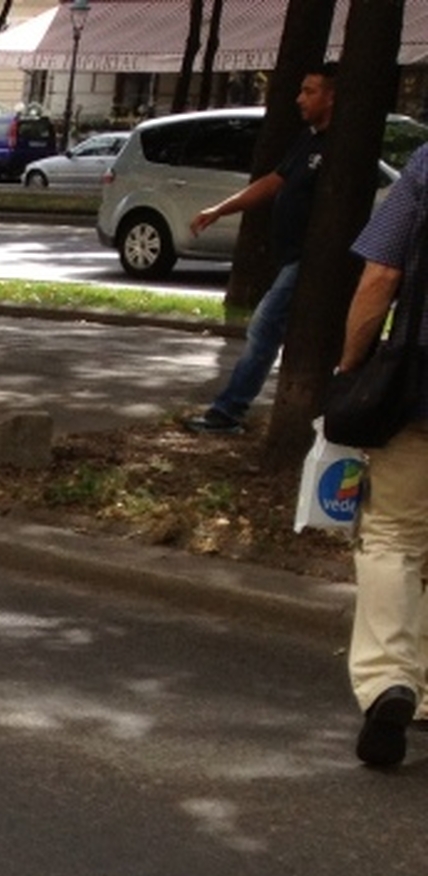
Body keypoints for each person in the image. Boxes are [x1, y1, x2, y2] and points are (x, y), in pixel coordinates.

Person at [337, 143, 428, 769]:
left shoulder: (426, 165)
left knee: (394, 533)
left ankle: (389, 681)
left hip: (421, 383)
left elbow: (381, 276)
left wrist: (351, 367)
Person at [182, 65, 335, 435]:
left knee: (265, 327)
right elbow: (272, 182)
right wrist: (220, 209)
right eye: (302, 90)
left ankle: (228, 413)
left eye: (310, 91)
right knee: (286, 332)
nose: (300, 98)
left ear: (333, 96)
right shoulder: (308, 140)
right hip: (293, 258)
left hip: (308, 261)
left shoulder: (341, 147)